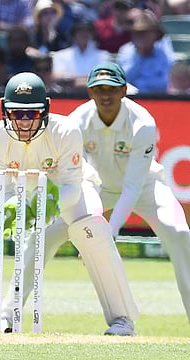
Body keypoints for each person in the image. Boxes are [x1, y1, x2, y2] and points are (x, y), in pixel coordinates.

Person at [0, 71, 139, 335]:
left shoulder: (65, 131)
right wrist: (18, 210)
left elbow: (73, 186)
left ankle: (122, 320)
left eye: (32, 113)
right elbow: (0, 191)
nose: (24, 121)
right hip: (19, 196)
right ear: (5, 110)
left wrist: (45, 208)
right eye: (17, 113)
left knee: (91, 229)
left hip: (69, 193)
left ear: (46, 109)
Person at [68, 61, 190, 324]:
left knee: (179, 232)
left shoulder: (142, 123)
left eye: (111, 89)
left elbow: (132, 186)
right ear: (90, 92)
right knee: (45, 232)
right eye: (98, 89)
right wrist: (93, 232)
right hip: (95, 188)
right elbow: (77, 177)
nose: (105, 95)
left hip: (146, 187)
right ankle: (9, 315)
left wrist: (109, 232)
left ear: (123, 90)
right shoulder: (75, 122)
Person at [116, 9, 173, 93]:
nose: (141, 37)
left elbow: (165, 83)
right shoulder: (126, 51)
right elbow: (122, 80)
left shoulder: (163, 54)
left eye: (146, 33)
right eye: (138, 33)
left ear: (155, 35)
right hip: (131, 99)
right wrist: (139, 56)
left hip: (156, 99)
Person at [52, 19, 111, 89]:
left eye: (87, 31)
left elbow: (105, 78)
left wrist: (73, 80)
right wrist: (90, 80)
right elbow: (56, 77)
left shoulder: (103, 56)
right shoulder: (61, 55)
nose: (84, 34)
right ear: (74, 34)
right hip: (68, 96)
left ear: (92, 35)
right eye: (80, 31)